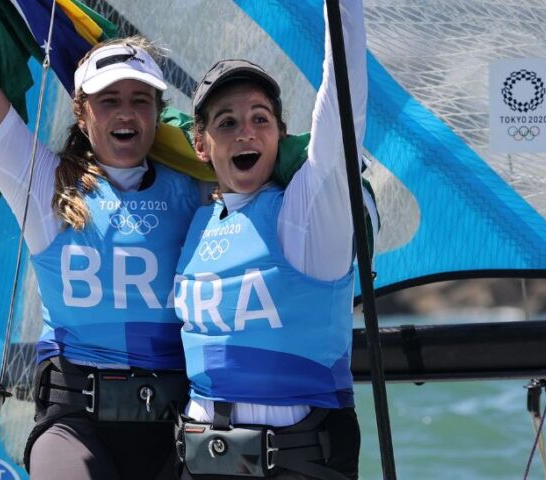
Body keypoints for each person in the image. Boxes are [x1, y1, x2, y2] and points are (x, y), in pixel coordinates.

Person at [0, 2, 202, 479]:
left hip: (177, 428)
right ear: (81, 114)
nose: (126, 112)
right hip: (74, 426)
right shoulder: (43, 185)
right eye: (109, 100)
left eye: (140, 99)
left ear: (158, 113)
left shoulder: (200, 189)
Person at [173, 0, 371, 479]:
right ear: (201, 145)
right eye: (227, 123)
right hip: (200, 463)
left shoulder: (307, 213)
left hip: (302, 462)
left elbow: (343, 94)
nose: (246, 133)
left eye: (261, 119)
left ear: (281, 135)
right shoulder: (197, 218)